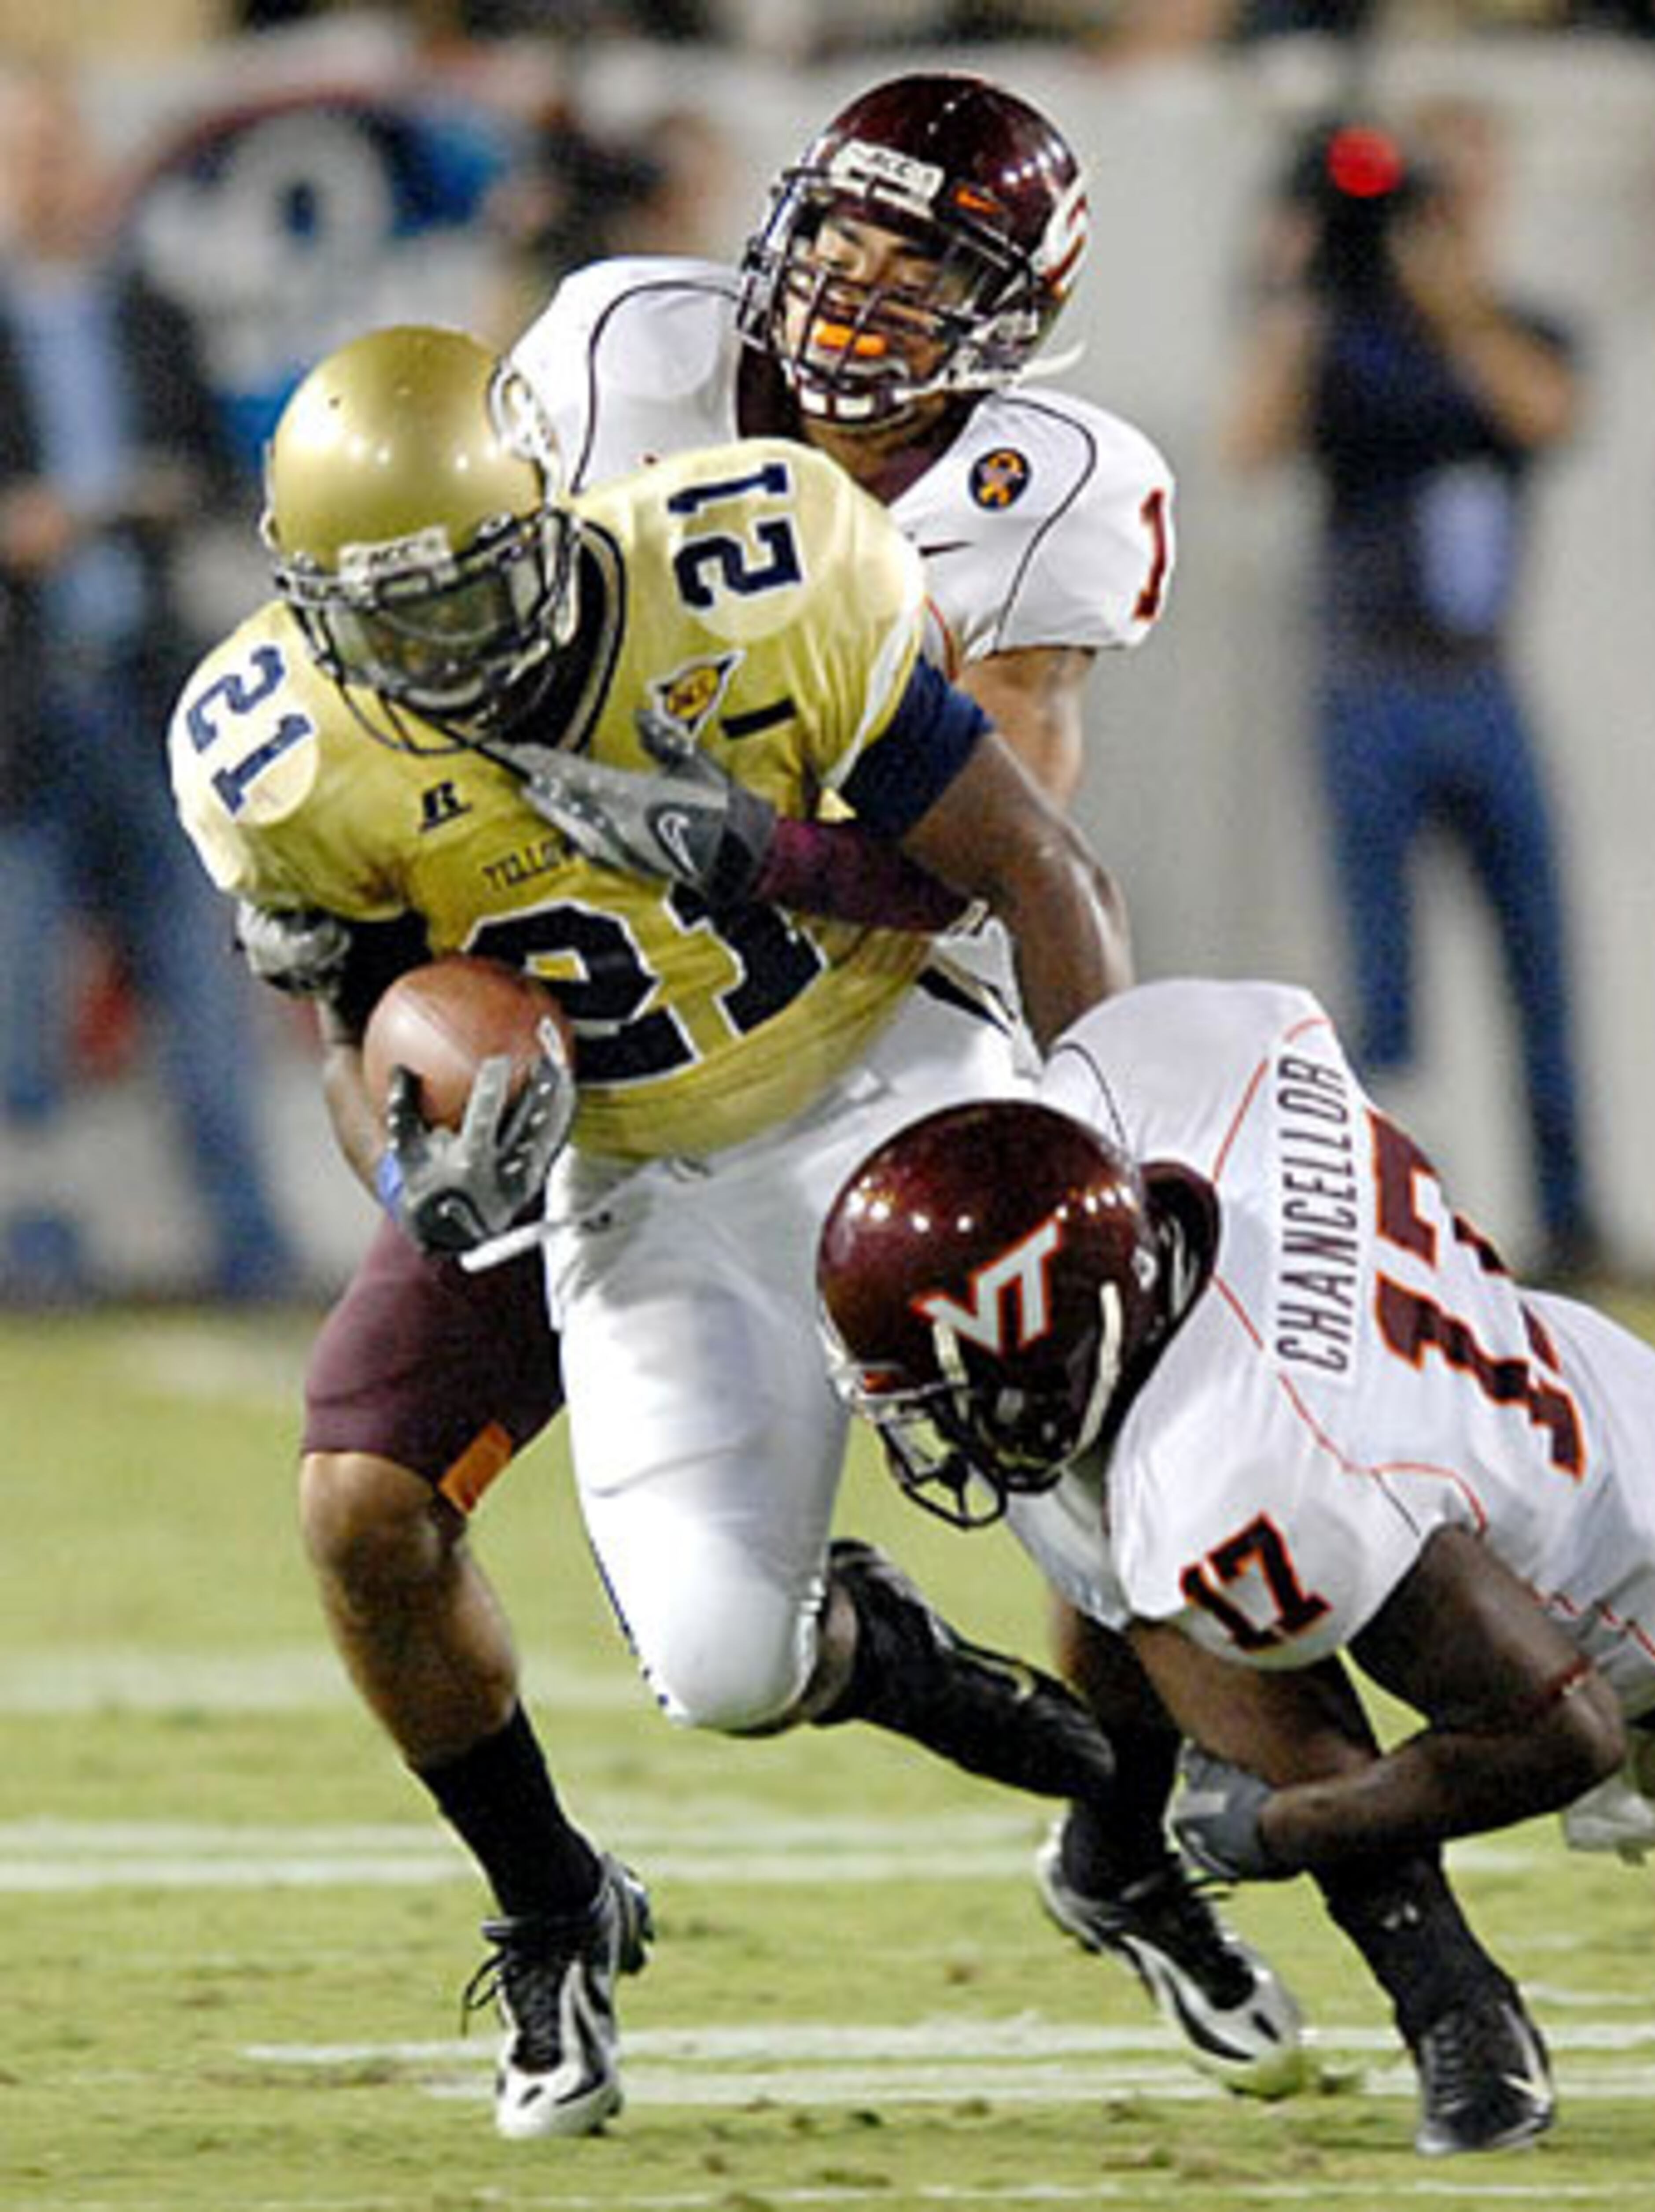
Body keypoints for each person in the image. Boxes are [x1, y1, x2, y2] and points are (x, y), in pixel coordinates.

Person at [229, 70, 1319, 2122]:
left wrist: (751, 842)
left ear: (1017, 314)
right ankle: (556, 1906)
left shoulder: (1033, 494)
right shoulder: (629, 348)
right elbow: (433, 643)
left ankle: (1126, 1833)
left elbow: (1004, 845)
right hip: (574, 1011)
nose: (861, 291)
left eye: (929, 268)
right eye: (847, 233)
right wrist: (415, 1116)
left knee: (1126, 1447)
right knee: (367, 1492)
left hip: (877, 999)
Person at [814, 968, 1655, 2151]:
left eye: (957, 1396)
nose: (942, 1438)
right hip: (1608, 1402)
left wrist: (1282, 1832)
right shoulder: (1189, 1080)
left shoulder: (1240, 1466)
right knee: (1110, 1523)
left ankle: (1446, 1995)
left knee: (1154, 1559)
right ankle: (1119, 1858)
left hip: (1653, 1624)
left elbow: (1558, 1733)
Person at [1220, 105, 1605, 1282]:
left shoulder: (1510, 328)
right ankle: (1383, 1235)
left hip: (1485, 687)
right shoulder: (1345, 336)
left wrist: (1450, 292)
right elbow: (1247, 448)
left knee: (1541, 967)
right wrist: (1299, 289)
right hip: (1369, 687)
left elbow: (1548, 412)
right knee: (1383, 991)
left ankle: (1570, 1223)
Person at [0, 59, 296, 1300]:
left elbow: (224, 474)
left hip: (149, 691)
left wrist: (154, 499)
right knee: (17, 1006)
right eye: (20, 152)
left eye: (55, 148)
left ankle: (250, 1243)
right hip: (17, 704)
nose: (43, 175)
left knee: (206, 983)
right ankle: (29, 1253)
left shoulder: (151, 311)